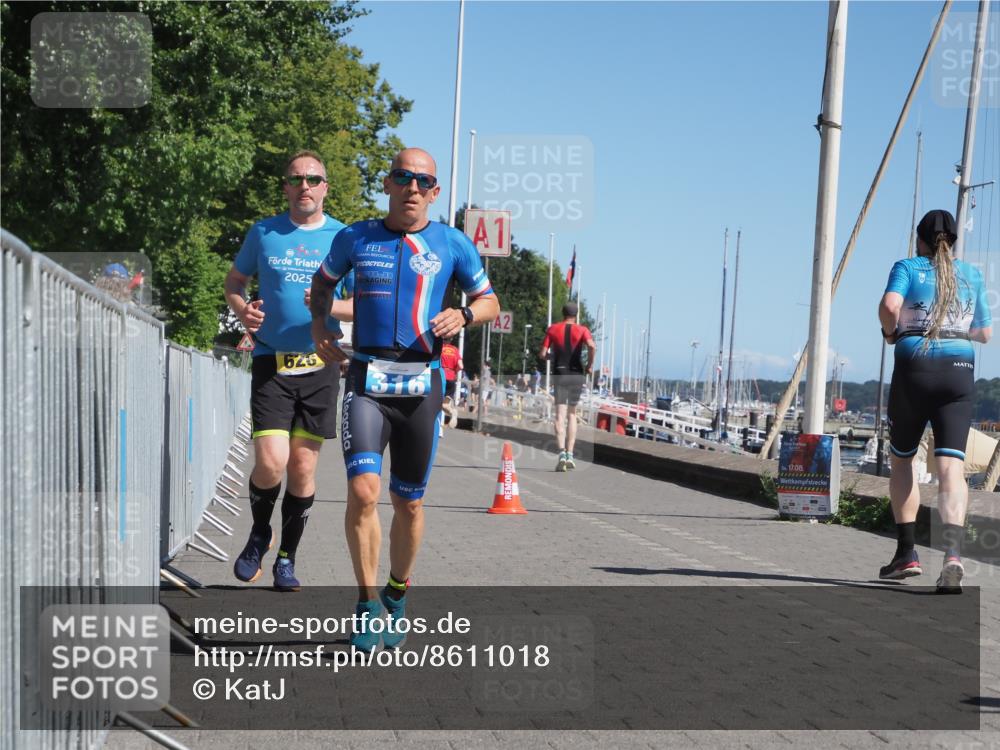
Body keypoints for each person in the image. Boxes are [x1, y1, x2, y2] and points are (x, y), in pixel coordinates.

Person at [310, 147, 499, 651]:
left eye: (423, 181)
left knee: (408, 504)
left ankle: (397, 592)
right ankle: (368, 602)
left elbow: (490, 300)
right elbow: (322, 283)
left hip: (422, 385)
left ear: (434, 192)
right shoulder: (355, 237)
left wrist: (463, 315)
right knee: (364, 492)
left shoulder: (453, 243)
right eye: (403, 177)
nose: (412, 187)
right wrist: (318, 325)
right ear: (388, 184)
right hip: (366, 381)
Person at [224, 150, 349, 592]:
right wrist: (243, 311)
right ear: (286, 187)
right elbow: (234, 282)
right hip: (271, 362)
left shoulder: (343, 238)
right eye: (296, 179)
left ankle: (287, 557)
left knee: (300, 468)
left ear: (325, 187)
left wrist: (328, 306)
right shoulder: (264, 233)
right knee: (271, 463)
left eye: (314, 179)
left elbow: (360, 303)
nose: (305, 186)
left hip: (321, 367)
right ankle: (260, 532)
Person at [877, 209, 991, 592]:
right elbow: (985, 332)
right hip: (959, 372)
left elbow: (891, 307)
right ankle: (953, 556)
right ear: (954, 242)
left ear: (920, 240)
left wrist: (892, 334)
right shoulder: (972, 275)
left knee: (903, 459)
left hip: (914, 369)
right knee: (950, 468)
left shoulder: (907, 267)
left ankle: (907, 554)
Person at [540, 302, 596, 471]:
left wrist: (553, 357)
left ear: (562, 313)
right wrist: (589, 364)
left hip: (560, 373)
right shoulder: (582, 330)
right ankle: (571, 454)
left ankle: (562, 453)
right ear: (576, 315)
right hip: (576, 374)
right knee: (572, 415)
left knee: (559, 416)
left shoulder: (553, 329)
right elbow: (592, 346)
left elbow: (542, 354)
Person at [440, 336, 463, 428]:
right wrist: (454, 372)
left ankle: (451, 413)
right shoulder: (455, 350)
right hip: (451, 379)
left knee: (437, 403)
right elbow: (461, 366)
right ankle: (451, 412)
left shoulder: (440, 348)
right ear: (451, 339)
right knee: (445, 404)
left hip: (441, 377)